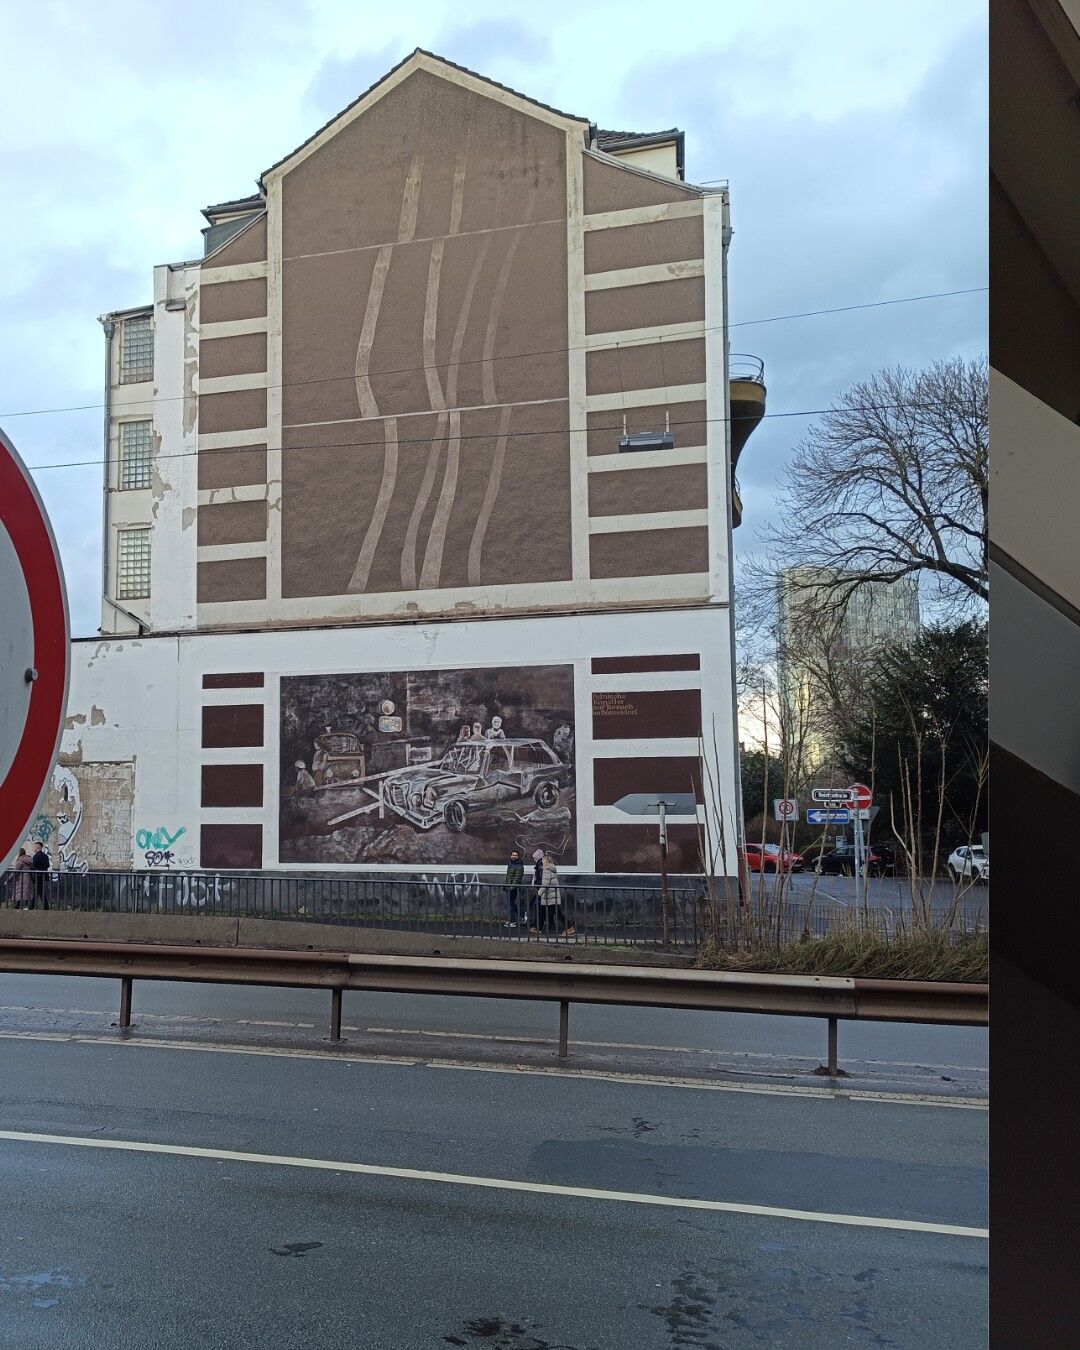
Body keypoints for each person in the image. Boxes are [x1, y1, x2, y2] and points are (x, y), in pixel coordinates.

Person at [537, 852, 575, 936]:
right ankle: (538, 928)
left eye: (543, 861)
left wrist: (538, 894)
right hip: (551, 895)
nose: (542, 862)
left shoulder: (546, 870)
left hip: (549, 896)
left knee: (557, 913)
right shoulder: (552, 868)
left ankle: (569, 927)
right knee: (543, 911)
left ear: (545, 861)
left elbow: (545, 884)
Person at [503, 849, 524, 928]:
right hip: (509, 887)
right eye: (513, 855)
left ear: (518, 857)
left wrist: (511, 887)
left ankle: (513, 921)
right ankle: (522, 914)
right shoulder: (510, 864)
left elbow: (518, 878)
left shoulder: (519, 865)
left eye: (516, 855)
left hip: (513, 888)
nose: (514, 856)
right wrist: (506, 886)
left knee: (510, 904)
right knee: (510, 904)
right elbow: (508, 877)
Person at [29, 841, 50, 910]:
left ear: (38, 847)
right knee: (39, 891)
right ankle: (43, 907)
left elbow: (33, 865)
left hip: (37, 876)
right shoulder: (45, 856)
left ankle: (44, 907)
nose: (34, 848)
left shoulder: (36, 856)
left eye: (35, 846)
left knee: (39, 891)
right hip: (44, 875)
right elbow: (48, 865)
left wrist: (31, 870)